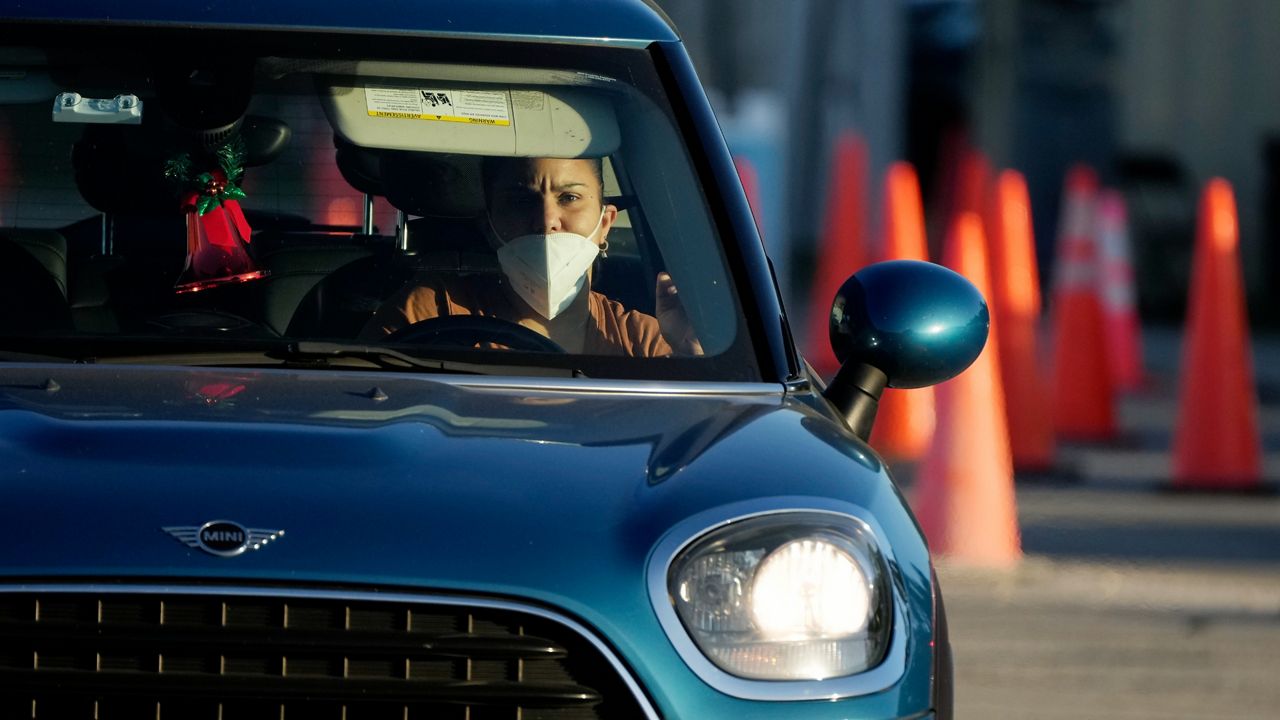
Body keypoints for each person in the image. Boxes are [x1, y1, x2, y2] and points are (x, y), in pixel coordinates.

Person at [362, 156, 702, 356]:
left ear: (605, 224)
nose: (546, 221)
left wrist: (692, 352)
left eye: (569, 197)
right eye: (522, 200)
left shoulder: (643, 340)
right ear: (488, 225)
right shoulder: (431, 312)